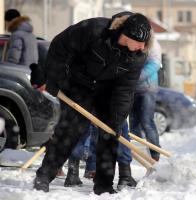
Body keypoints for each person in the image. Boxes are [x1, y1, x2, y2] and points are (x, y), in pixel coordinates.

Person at [30, 12, 152, 195]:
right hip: (79, 84)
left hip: (107, 91)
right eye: (139, 43)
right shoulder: (94, 30)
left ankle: (104, 186)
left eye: (145, 43)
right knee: (69, 131)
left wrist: (116, 120)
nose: (143, 47)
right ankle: (44, 177)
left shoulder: (138, 56)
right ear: (126, 35)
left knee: (110, 134)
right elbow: (60, 46)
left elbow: (125, 90)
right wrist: (54, 79)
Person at [129, 34, 162, 162]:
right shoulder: (132, 41)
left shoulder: (153, 43)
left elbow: (154, 64)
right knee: (134, 122)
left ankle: (155, 154)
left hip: (148, 89)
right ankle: (138, 152)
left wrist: (135, 77)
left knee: (147, 121)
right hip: (133, 89)